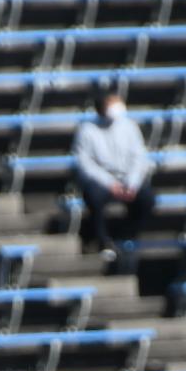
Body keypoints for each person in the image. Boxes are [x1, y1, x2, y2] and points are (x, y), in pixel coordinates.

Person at [71, 87, 154, 261]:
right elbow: (85, 164)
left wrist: (132, 183)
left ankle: (127, 234)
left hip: (127, 179)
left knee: (147, 198)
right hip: (104, 181)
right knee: (94, 197)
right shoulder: (87, 130)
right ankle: (102, 240)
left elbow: (139, 157)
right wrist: (110, 184)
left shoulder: (129, 126)